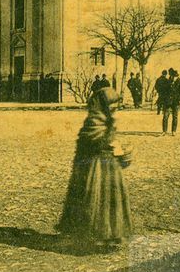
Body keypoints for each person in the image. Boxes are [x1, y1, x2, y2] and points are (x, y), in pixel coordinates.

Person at [56, 88, 132, 251]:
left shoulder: (108, 118)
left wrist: (118, 147)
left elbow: (108, 138)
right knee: (96, 200)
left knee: (111, 200)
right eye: (111, 105)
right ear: (104, 105)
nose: (114, 108)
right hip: (95, 167)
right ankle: (95, 235)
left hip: (109, 166)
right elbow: (94, 140)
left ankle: (112, 234)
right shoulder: (94, 120)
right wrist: (111, 145)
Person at [162, 68, 180, 135]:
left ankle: (174, 131)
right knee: (165, 116)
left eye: (175, 76)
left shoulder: (179, 82)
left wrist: (178, 98)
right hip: (168, 102)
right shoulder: (168, 82)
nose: (174, 77)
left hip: (175, 102)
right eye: (172, 76)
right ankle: (164, 131)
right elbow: (164, 91)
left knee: (175, 117)